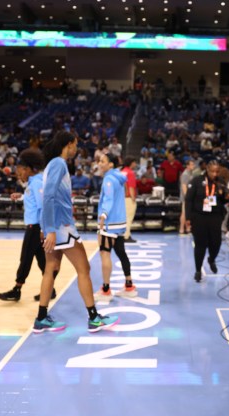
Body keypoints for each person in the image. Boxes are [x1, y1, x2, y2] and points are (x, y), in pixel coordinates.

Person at [36, 131, 118, 333]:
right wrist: (51, 230)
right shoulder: (58, 163)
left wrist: (46, 227)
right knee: (84, 269)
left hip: (53, 225)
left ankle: (41, 318)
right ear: (68, 144)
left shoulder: (52, 164)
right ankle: (94, 318)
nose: (76, 149)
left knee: (51, 268)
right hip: (61, 227)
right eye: (75, 145)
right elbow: (48, 197)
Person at [0, 149, 59, 303]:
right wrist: (22, 196)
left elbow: (43, 206)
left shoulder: (37, 182)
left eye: (20, 171)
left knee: (25, 258)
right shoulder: (34, 182)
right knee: (42, 261)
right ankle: (50, 290)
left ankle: (16, 290)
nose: (19, 175)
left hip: (36, 227)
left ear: (29, 169)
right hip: (37, 227)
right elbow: (36, 199)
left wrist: (44, 230)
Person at [94, 153, 138, 302]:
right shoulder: (118, 177)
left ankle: (106, 290)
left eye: (102, 161)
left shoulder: (108, 179)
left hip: (109, 222)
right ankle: (129, 286)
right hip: (119, 222)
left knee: (105, 254)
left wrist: (103, 215)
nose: (99, 163)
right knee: (121, 252)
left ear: (111, 164)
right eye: (99, 161)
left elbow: (108, 199)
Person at [184, 160, 227, 282]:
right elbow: (188, 200)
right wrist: (188, 218)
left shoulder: (221, 182)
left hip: (215, 217)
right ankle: (198, 270)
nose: (215, 174)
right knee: (200, 245)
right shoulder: (197, 181)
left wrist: (225, 196)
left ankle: (211, 259)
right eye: (212, 171)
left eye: (217, 171)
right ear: (207, 170)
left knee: (216, 243)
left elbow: (224, 201)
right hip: (199, 217)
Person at [121, 156, 138, 243]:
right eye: (134, 162)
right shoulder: (130, 173)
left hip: (121, 198)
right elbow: (131, 186)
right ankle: (126, 236)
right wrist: (133, 198)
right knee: (129, 218)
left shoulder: (122, 172)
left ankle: (125, 234)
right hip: (128, 198)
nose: (135, 164)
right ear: (131, 163)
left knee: (123, 218)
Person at [178, 159, 195, 234]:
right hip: (186, 197)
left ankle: (187, 228)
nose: (193, 166)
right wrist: (187, 197)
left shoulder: (190, 173)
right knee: (184, 213)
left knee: (188, 213)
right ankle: (181, 229)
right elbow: (184, 187)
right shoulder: (185, 174)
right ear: (187, 166)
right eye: (191, 164)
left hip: (190, 196)